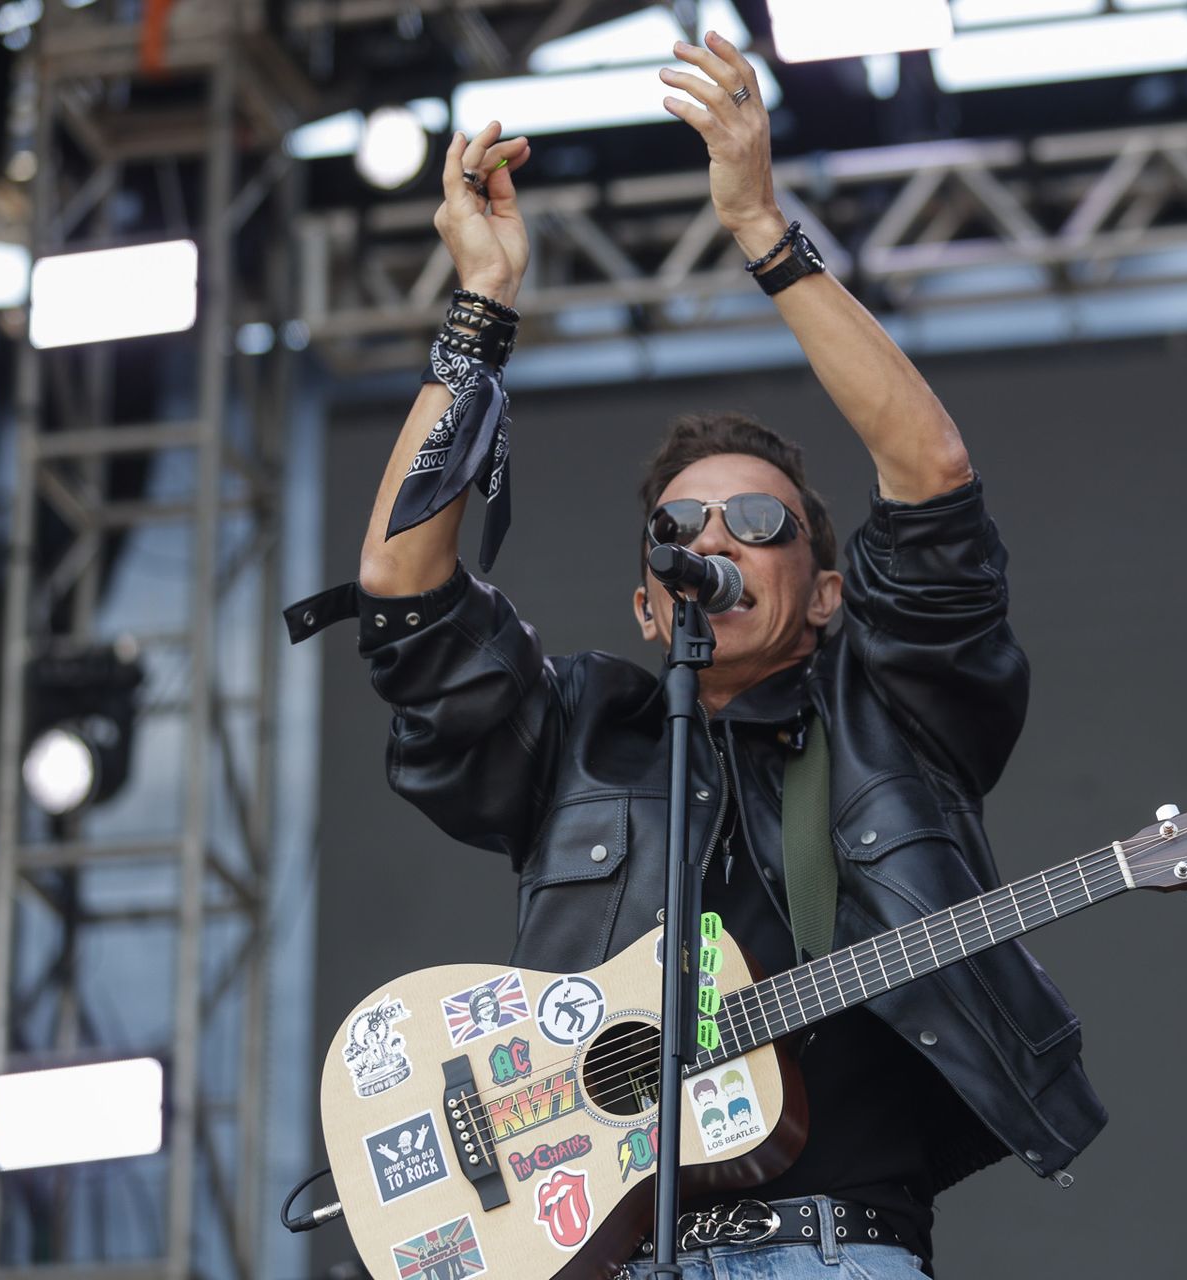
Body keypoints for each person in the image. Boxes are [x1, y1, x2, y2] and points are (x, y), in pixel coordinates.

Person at [287, 31, 1105, 1280]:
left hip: (837, 1249)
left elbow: (931, 478)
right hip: (606, 1252)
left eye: (760, 521)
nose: (712, 538)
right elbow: (404, 588)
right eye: (679, 528)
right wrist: (479, 310)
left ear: (825, 588)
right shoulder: (578, 733)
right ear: (649, 602)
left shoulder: (896, 712)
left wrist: (765, 231)